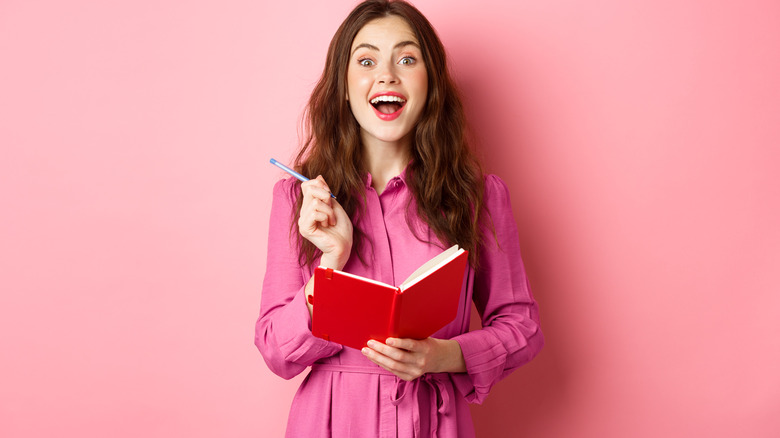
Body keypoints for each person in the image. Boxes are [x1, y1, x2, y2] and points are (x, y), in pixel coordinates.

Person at [255, 1, 543, 436]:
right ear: (345, 87)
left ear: (431, 84)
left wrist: (444, 356)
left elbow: (523, 327)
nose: (387, 74)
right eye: (366, 60)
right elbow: (277, 351)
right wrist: (333, 259)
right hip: (331, 422)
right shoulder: (300, 201)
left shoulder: (478, 197)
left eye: (407, 59)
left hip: (434, 422)